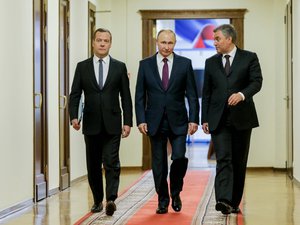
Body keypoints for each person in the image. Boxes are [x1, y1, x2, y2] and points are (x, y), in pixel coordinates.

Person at [69, 28, 133, 216]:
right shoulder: (82, 67)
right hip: (91, 123)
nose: (102, 43)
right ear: (93, 43)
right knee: (93, 164)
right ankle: (97, 200)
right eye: (99, 40)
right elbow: (75, 94)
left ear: (110, 44)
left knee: (111, 161)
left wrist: (128, 122)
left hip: (113, 123)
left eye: (106, 40)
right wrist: (74, 116)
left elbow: (126, 97)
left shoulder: (119, 67)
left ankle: (111, 199)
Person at [135, 29, 199, 214]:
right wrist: (140, 120)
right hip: (154, 121)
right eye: (163, 42)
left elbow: (192, 95)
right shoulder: (145, 65)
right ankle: (162, 199)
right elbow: (139, 96)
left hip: (178, 120)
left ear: (175, 43)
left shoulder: (184, 64)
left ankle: (176, 191)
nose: (166, 47)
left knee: (179, 157)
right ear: (157, 42)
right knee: (159, 164)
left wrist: (194, 119)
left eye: (170, 43)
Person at [201, 24, 263, 214]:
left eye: (217, 38)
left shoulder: (249, 57)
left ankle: (234, 202)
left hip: (242, 118)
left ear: (229, 39)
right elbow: (207, 92)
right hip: (218, 119)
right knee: (223, 159)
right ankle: (223, 199)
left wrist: (242, 95)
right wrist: (205, 118)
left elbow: (257, 82)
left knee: (238, 160)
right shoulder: (211, 62)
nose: (215, 43)